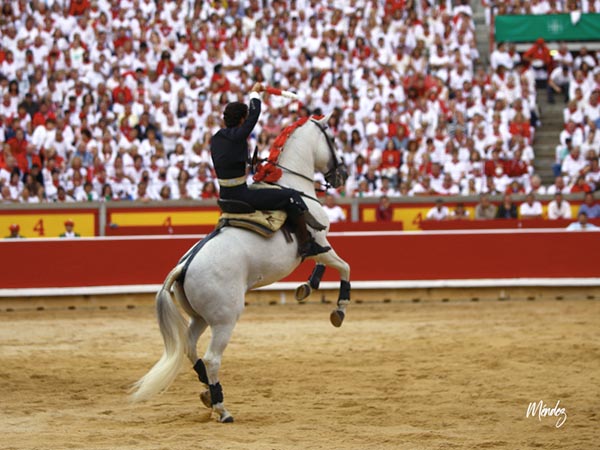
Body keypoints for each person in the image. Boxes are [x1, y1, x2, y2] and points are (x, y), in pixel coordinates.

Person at [210, 83, 329, 258]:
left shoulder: (217, 139)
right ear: (242, 120)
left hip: (225, 194)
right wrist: (254, 94)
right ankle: (306, 245)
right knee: (290, 195)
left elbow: (229, 160)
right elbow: (254, 116)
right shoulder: (238, 135)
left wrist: (251, 161)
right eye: (245, 119)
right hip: (241, 195)